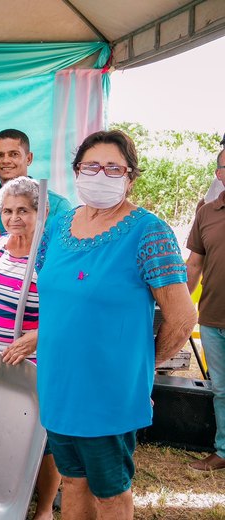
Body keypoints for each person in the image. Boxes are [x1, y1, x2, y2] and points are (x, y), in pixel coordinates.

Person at [35, 130, 196, 519]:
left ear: (130, 176)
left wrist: (140, 368)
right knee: (72, 480)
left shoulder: (149, 232)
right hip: (58, 382)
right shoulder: (59, 225)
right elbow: (59, 298)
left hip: (108, 390)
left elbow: (182, 316)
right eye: (91, 166)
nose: (100, 174)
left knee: (110, 491)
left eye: (113, 168)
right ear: (76, 171)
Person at [0, 176, 61, 520]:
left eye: (23, 211)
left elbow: (69, 312)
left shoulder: (52, 255)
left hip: (32, 362)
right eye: (7, 211)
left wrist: (41, 335)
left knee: (43, 440)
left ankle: (45, 507)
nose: (14, 218)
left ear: (41, 212)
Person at [185, 147, 225, 471]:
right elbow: (194, 264)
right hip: (212, 317)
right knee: (221, 390)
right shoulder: (206, 213)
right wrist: (177, 304)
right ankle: (223, 450)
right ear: (219, 174)